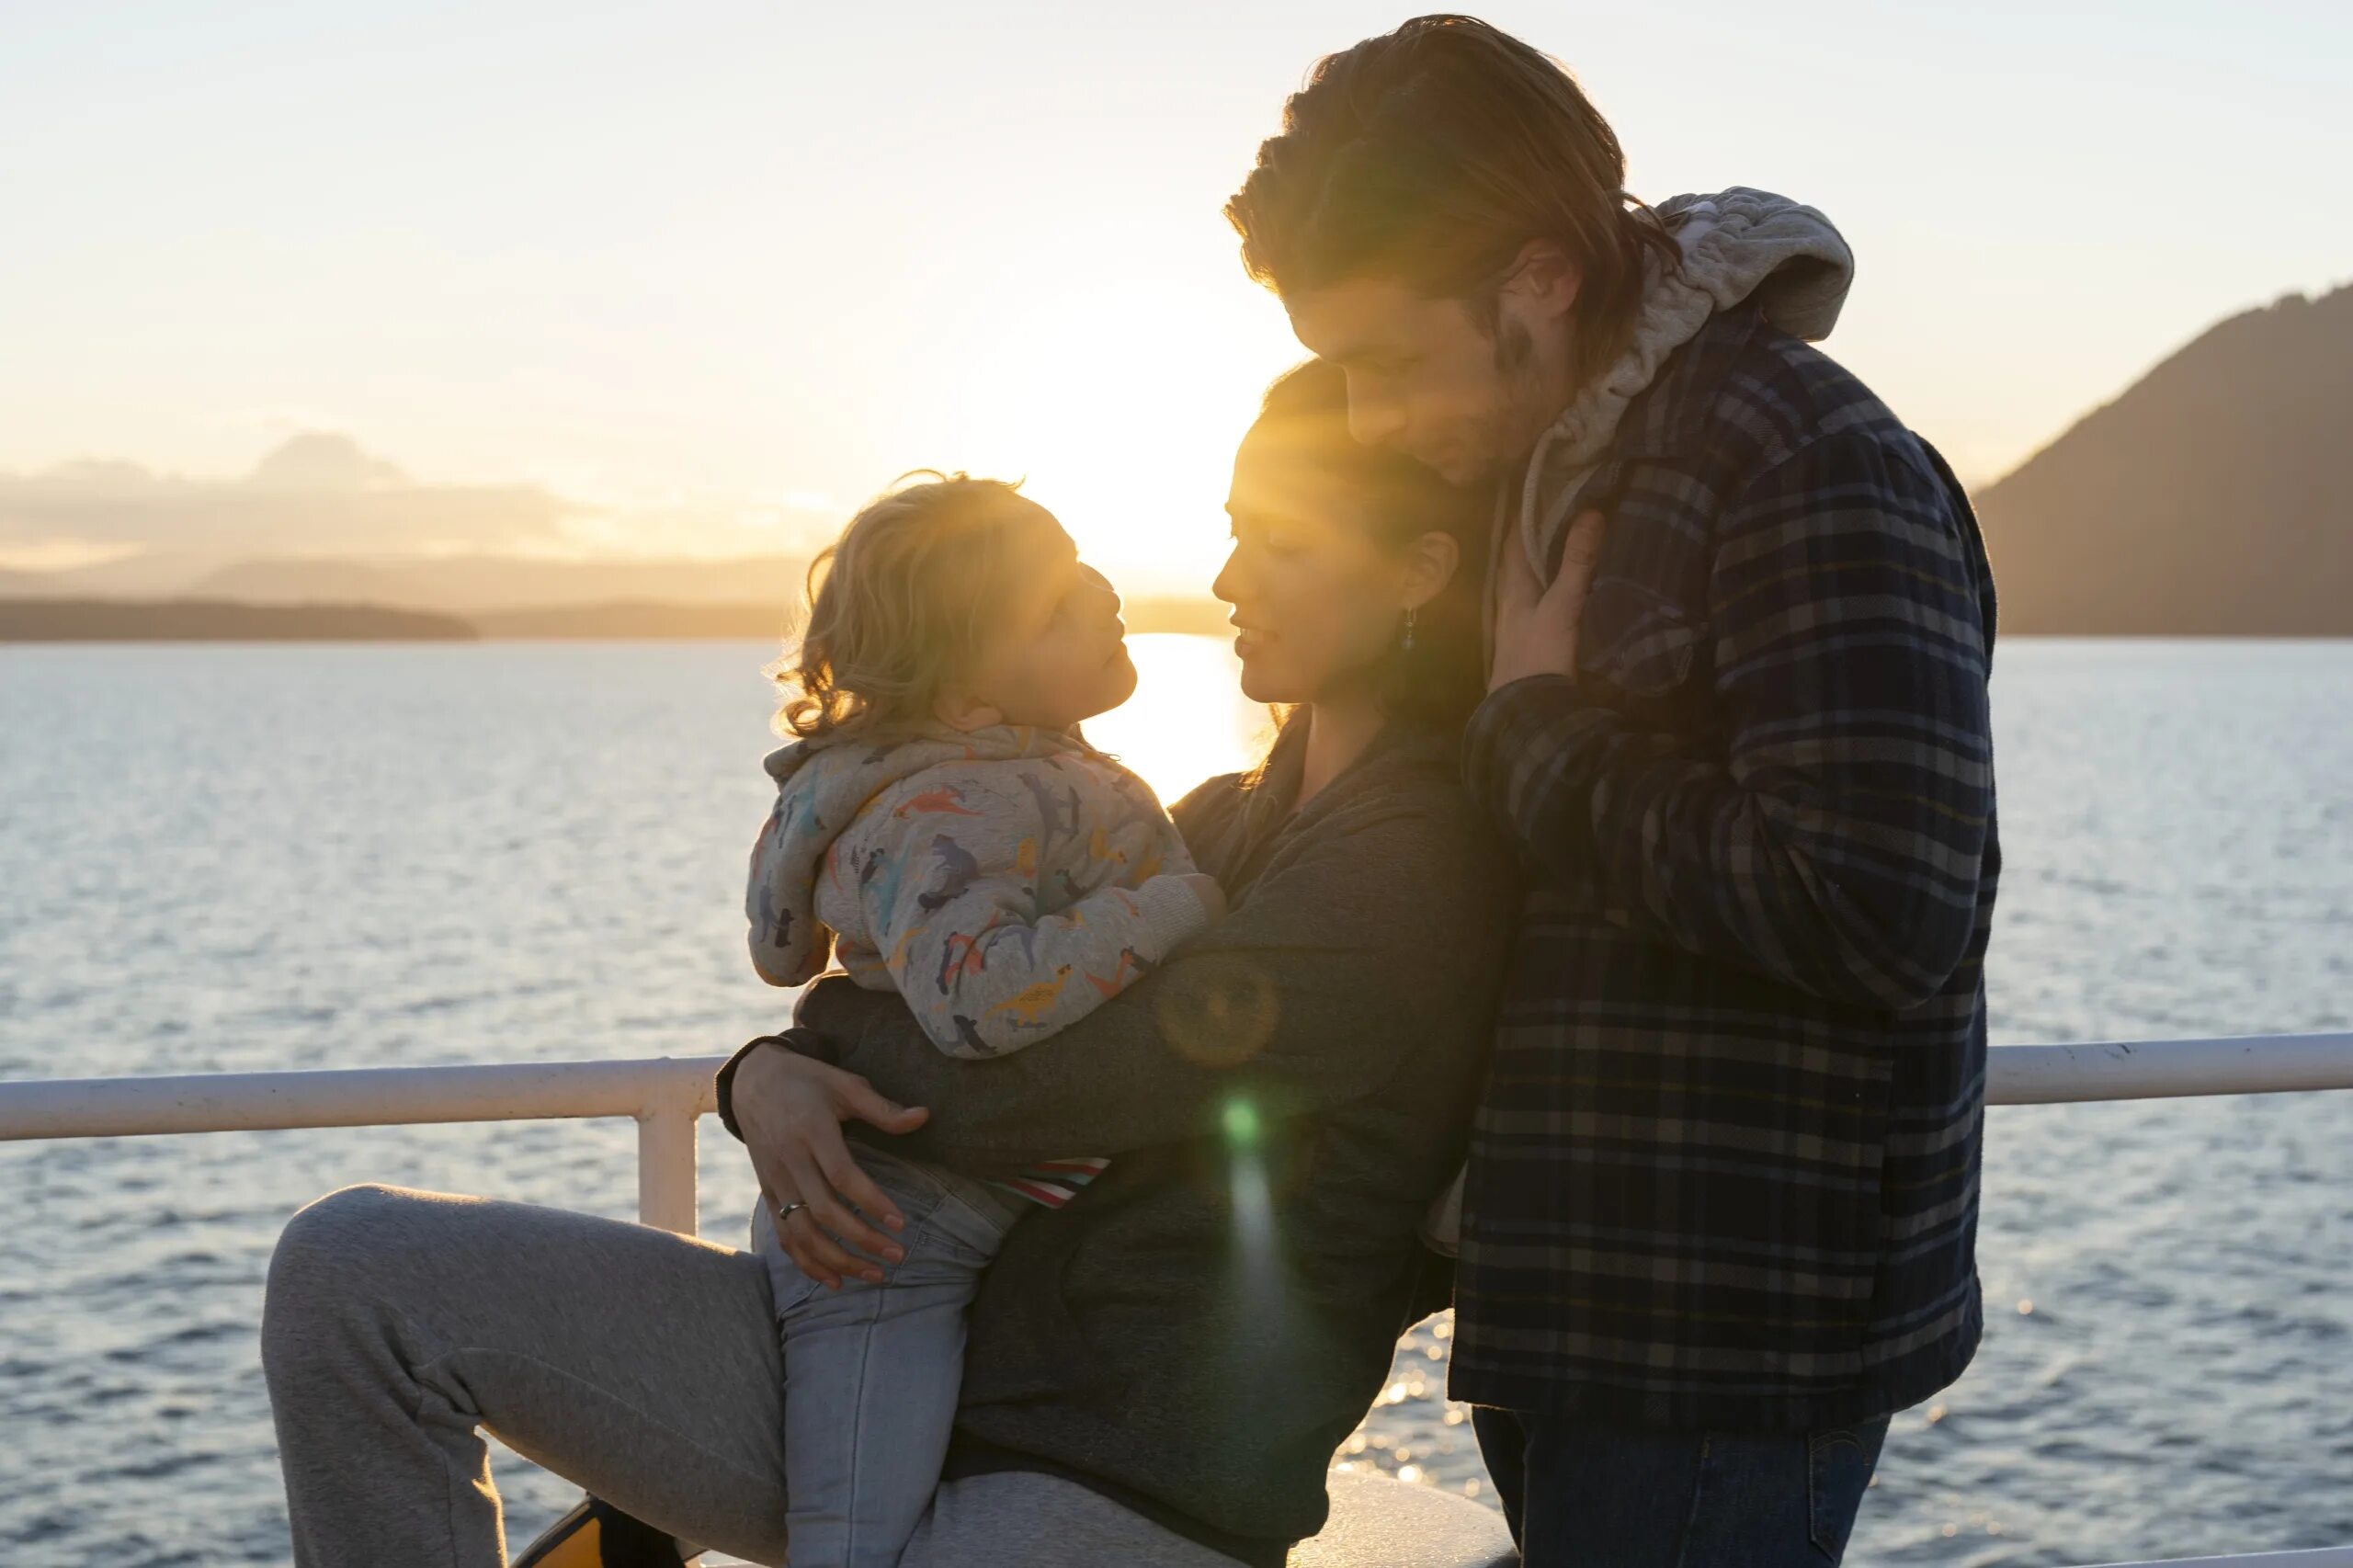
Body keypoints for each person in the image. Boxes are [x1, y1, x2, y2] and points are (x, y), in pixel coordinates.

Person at [257, 360, 1518, 1568]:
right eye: (1235, 529)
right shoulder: (1226, 817)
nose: (1231, 574)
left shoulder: (1410, 857)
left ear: (1419, 568)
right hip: (916, 1343)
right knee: (357, 1271)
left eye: (1283, 543)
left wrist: (791, 1068)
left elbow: (1036, 1077)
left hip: (1114, 1468)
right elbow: (963, 993)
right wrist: (768, 1076)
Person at [1222, 17, 2002, 1566]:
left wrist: (1539, 733)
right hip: (1565, 1289)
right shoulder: (1542, 465)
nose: (1370, 422)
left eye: (1385, 363)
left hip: (1724, 1332)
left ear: (1538, 280)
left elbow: (1884, 908)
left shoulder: (1804, 458)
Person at [740, 472, 1225, 1568]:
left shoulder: (865, 780)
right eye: (1055, 605)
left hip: (937, 1214)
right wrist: (1176, 905)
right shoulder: (970, 800)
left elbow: (779, 945)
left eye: (1079, 564)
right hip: (883, 1246)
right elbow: (982, 1003)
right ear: (968, 700)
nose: (1101, 596)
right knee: (849, 1541)